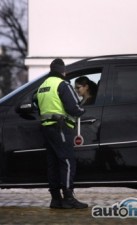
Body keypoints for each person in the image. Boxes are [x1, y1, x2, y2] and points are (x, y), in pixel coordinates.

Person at [36, 58, 88, 209]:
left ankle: (55, 199)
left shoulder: (42, 86)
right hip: (60, 128)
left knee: (53, 162)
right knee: (67, 161)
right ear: (62, 71)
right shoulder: (62, 84)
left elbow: (36, 104)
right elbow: (74, 108)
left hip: (46, 128)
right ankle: (69, 198)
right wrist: (82, 110)